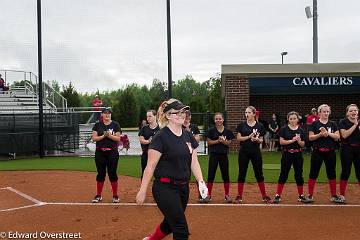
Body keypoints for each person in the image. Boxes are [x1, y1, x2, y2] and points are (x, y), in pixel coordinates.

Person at [136, 99, 207, 240]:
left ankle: (152, 239)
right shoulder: (160, 138)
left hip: (183, 188)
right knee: (181, 228)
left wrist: (201, 181)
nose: (182, 115)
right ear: (168, 116)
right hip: (164, 188)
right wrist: (142, 190)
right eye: (178, 112)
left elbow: (194, 161)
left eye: (183, 112)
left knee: (170, 223)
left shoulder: (188, 135)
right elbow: (150, 167)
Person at [307, 104, 344, 204]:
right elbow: (310, 137)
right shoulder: (314, 124)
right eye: (324, 111)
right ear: (319, 113)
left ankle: (334, 195)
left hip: (330, 152)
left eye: (328, 111)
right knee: (313, 173)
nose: (326, 113)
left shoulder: (333, 124)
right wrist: (320, 134)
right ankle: (310, 195)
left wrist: (328, 134)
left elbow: (337, 136)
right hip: (317, 151)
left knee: (331, 173)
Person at [234, 106, 271, 203]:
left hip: (255, 152)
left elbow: (262, 140)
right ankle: (239, 196)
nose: (247, 114)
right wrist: (248, 136)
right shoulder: (241, 125)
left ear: (254, 114)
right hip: (244, 152)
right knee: (242, 173)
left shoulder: (260, 126)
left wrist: (258, 140)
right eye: (246, 112)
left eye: (249, 112)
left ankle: (264, 196)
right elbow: (238, 138)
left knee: (259, 173)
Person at [272, 111, 310, 204]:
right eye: (291, 118)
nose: (293, 120)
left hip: (298, 154)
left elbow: (303, 144)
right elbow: (281, 142)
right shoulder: (284, 129)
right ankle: (278, 195)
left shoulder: (301, 130)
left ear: (298, 119)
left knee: (298, 175)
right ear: (288, 119)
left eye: (295, 118)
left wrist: (299, 140)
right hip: (287, 154)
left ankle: (301, 195)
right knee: (283, 174)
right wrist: (291, 140)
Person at [199, 112, 235, 204]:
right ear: (214, 120)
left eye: (220, 119)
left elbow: (229, 143)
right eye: (216, 119)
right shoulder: (211, 131)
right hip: (214, 155)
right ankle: (208, 195)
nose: (218, 120)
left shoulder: (227, 131)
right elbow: (209, 142)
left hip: (223, 155)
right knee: (211, 174)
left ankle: (227, 195)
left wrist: (223, 141)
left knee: (225, 175)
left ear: (223, 120)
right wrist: (218, 140)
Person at [91, 107, 121, 203]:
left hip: (112, 152)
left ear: (111, 114)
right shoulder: (97, 125)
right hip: (100, 153)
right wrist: (103, 136)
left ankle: (115, 195)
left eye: (109, 113)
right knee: (101, 174)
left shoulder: (115, 124)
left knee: (112, 173)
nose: (107, 115)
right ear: (102, 114)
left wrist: (109, 135)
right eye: (105, 113)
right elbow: (94, 138)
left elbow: (118, 138)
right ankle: (98, 195)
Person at [338, 104, 360, 203]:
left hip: (358, 150)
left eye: (355, 110)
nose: (353, 112)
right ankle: (342, 195)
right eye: (351, 111)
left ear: (358, 112)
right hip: (347, 149)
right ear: (347, 113)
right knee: (346, 171)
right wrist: (355, 125)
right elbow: (344, 135)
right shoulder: (343, 122)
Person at [138, 110, 160, 179]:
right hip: (146, 154)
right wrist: (148, 141)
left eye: (150, 116)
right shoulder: (144, 128)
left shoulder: (161, 128)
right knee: (144, 173)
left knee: (159, 174)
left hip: (158, 156)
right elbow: (141, 140)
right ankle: (143, 189)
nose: (148, 118)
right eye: (147, 116)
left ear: (155, 116)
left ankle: (158, 189)